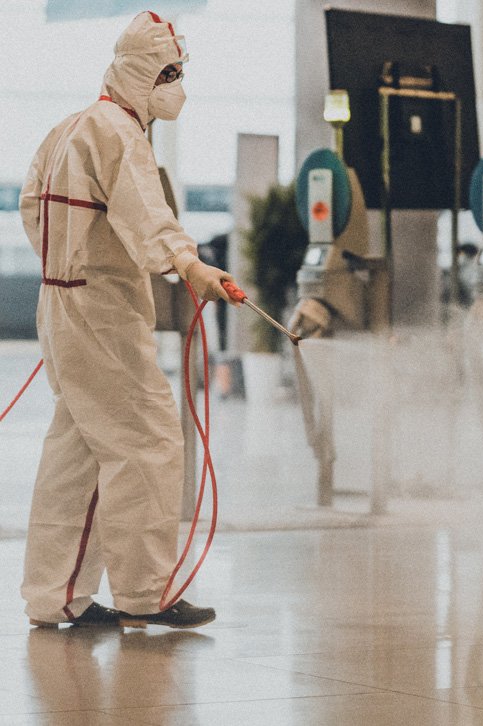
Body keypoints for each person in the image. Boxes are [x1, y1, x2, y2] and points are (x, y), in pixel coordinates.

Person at [18, 11, 233, 629]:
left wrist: (67, 264)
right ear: (140, 74)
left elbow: (34, 209)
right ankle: (147, 593)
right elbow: (147, 215)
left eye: (179, 72)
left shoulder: (69, 128)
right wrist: (191, 267)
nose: (176, 84)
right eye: (167, 73)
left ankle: (54, 596)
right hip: (102, 311)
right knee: (146, 440)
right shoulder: (118, 132)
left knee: (79, 450)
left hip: (61, 304)